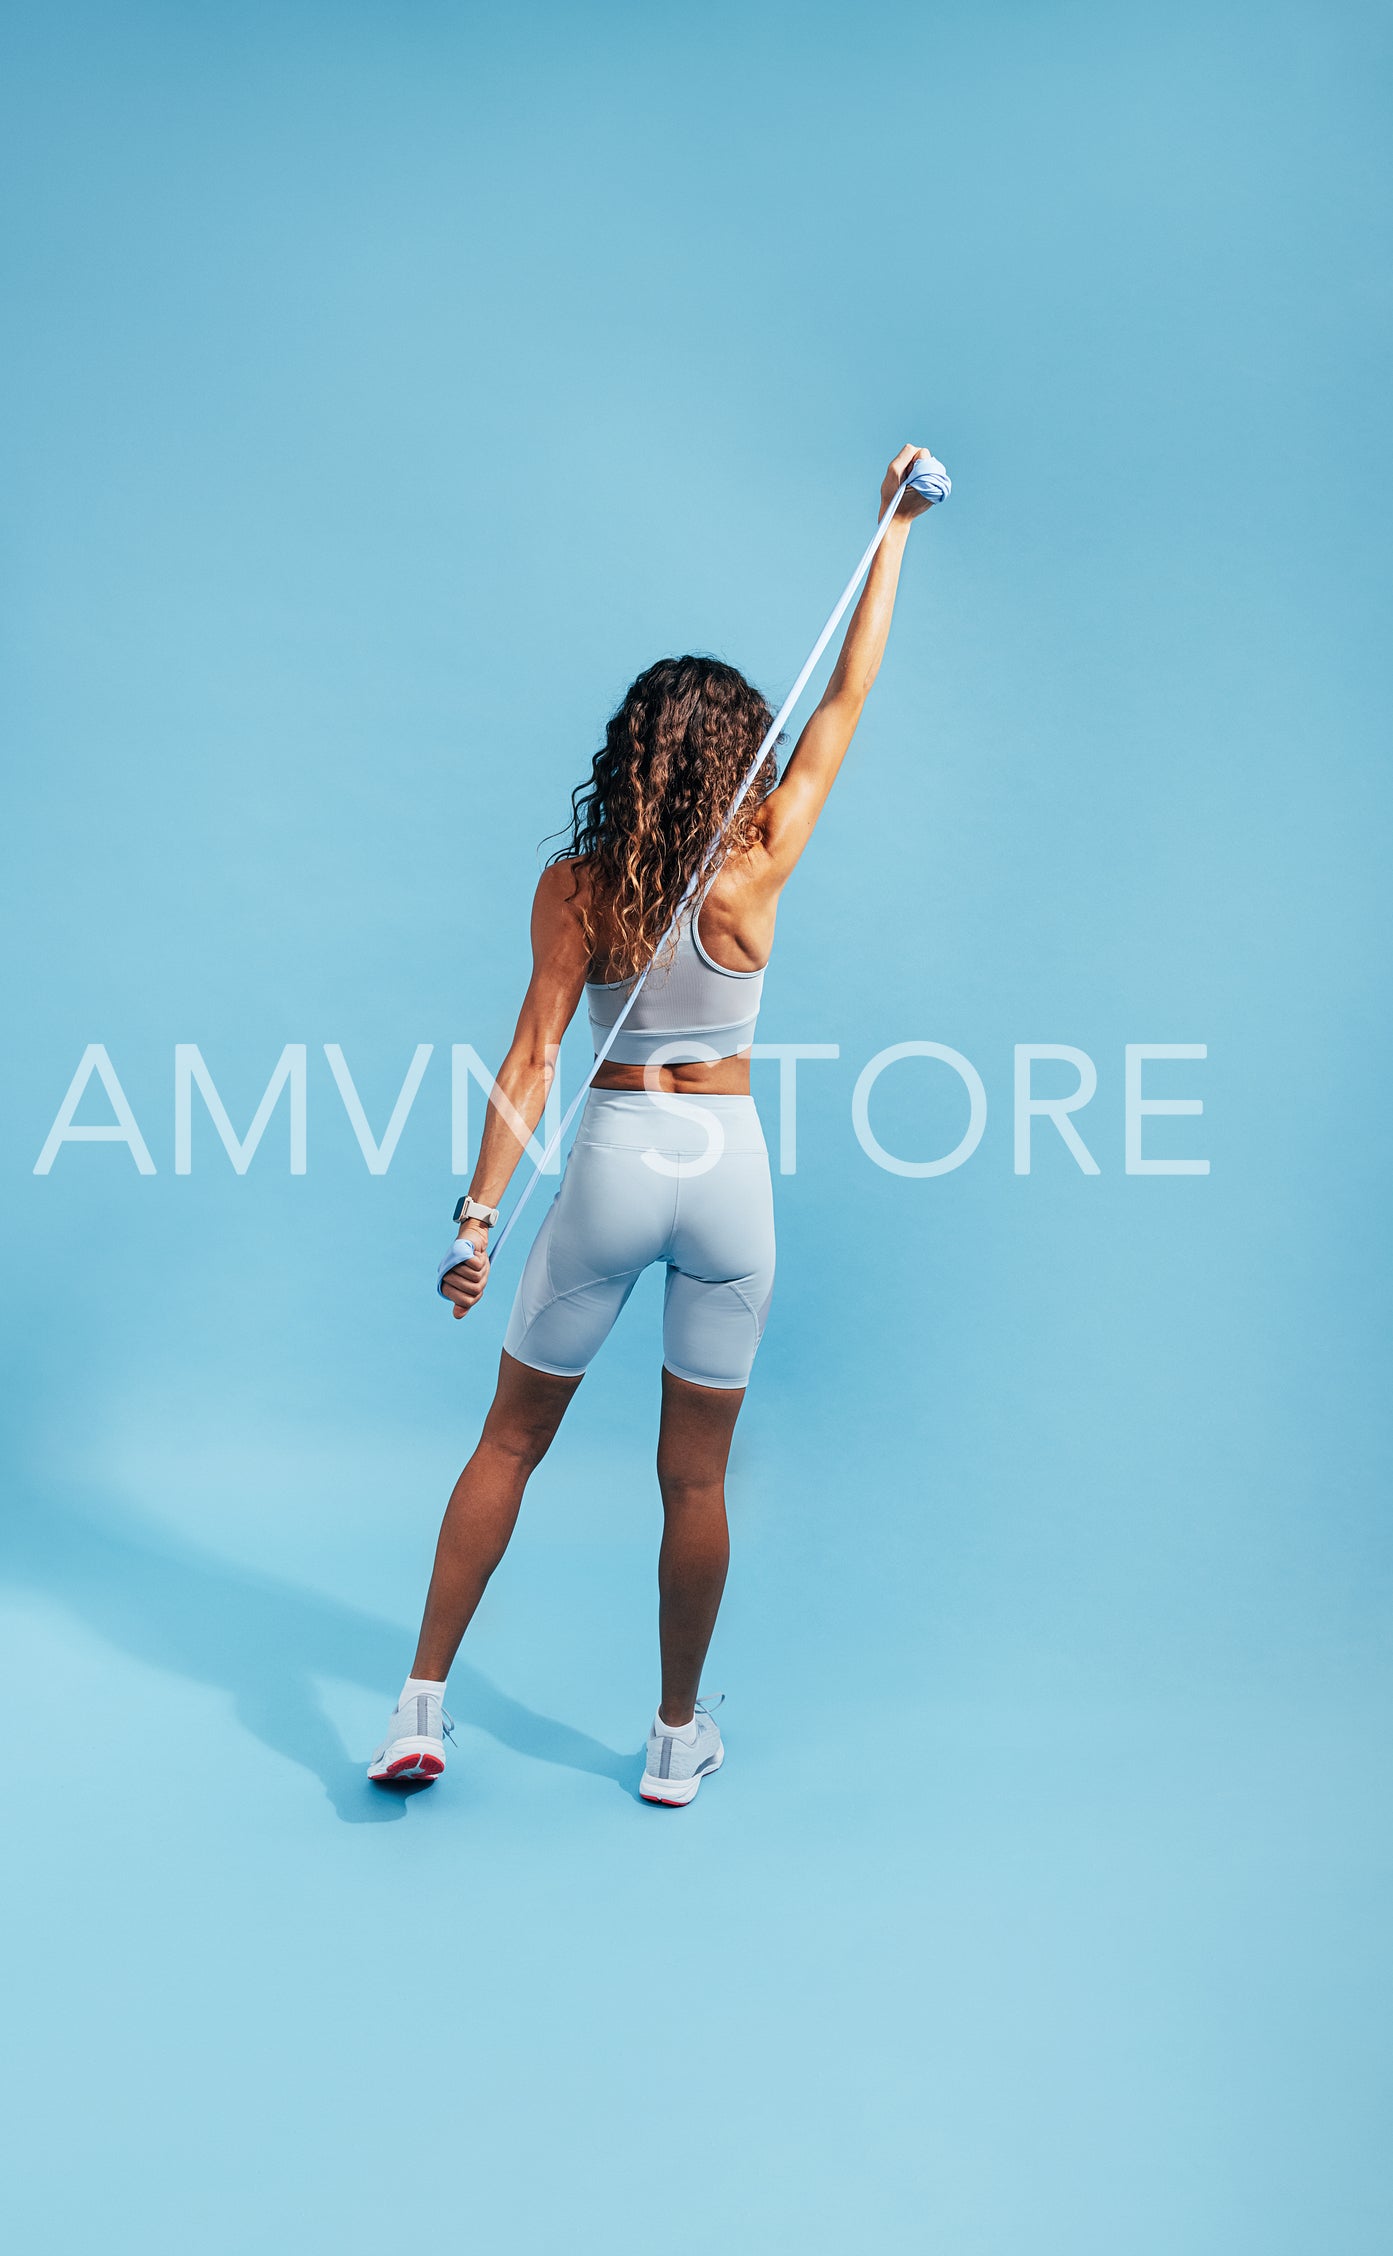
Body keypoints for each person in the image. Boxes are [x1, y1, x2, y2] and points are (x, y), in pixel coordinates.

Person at [369, 444, 941, 1806]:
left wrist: (475, 1218)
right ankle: (677, 1738)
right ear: (740, 751)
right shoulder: (763, 854)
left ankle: (419, 1706)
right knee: (694, 1482)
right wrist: (892, 534)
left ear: (631, 747)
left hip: (616, 1163)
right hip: (725, 1177)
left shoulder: (575, 887)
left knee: (509, 1441)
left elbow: (528, 1059)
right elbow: (848, 698)